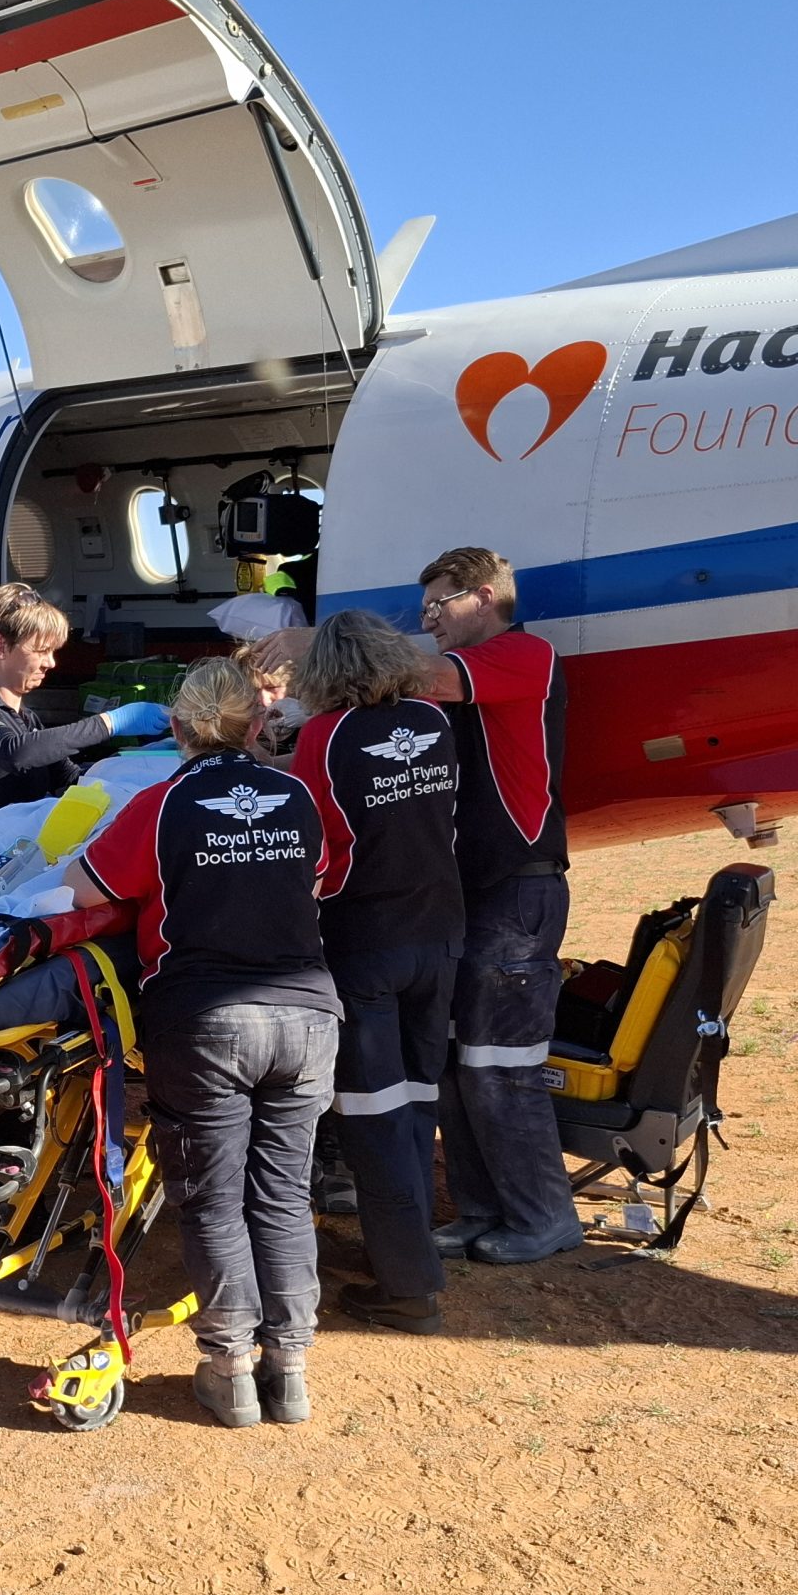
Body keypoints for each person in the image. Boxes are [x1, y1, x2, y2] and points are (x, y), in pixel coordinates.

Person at [63, 656, 339, 1427]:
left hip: (206, 1018)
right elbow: (311, 882)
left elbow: (88, 888)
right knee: (283, 1196)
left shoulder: (163, 803)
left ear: (177, 728)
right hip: (307, 1015)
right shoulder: (296, 796)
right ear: (257, 726)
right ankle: (292, 1370)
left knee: (215, 1200)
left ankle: (230, 1369)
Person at [289, 611, 463, 1331]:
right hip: (440, 932)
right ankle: (409, 1249)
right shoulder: (432, 719)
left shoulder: (323, 737)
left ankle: (408, 1286)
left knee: (372, 1116)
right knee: (419, 1106)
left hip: (366, 940)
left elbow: (312, 841)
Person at [412, 546, 579, 1264]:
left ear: (483, 597)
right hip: (477, 891)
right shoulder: (468, 682)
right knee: (459, 1061)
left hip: (518, 889)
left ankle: (545, 1215)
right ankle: (483, 1209)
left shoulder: (523, 655)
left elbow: (426, 677)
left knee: (500, 1064)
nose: (429, 622)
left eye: (438, 606)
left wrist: (328, 647)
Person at [0, 582, 168, 835]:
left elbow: (70, 780)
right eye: (42, 651)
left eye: (52, 652)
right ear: (0, 646)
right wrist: (111, 722)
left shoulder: (28, 721)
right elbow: (14, 753)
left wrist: (143, 762)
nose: (51, 663)